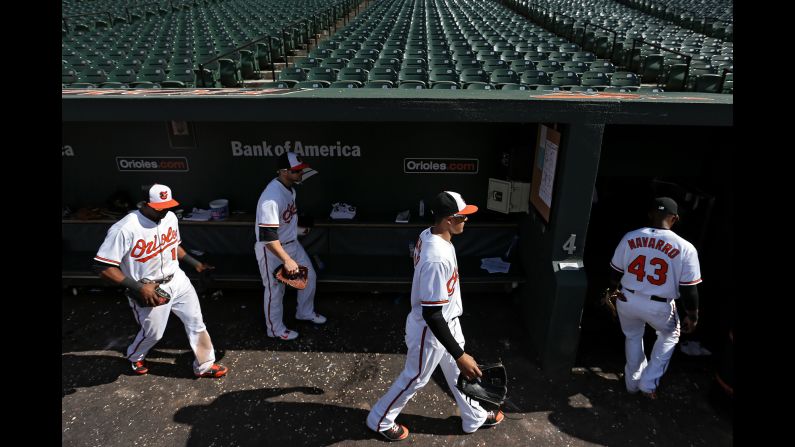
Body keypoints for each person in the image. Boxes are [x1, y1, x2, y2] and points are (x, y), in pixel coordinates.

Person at [366, 191, 504, 441]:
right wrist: (460, 354)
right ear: (448, 220)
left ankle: (473, 416)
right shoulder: (436, 257)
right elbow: (432, 314)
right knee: (415, 378)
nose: (467, 220)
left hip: (447, 321)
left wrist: (457, 355)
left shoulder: (430, 234)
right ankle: (379, 419)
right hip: (430, 330)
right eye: (463, 216)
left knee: (460, 374)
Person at [93, 184, 228, 378]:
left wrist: (195, 264)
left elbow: (174, 246)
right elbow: (102, 267)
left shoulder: (170, 217)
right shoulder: (125, 228)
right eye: (159, 207)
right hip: (148, 287)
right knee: (154, 334)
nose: (164, 210)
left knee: (196, 322)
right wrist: (138, 288)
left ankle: (205, 365)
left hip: (178, 279)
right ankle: (135, 355)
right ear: (144, 204)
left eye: (167, 205)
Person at [608, 197, 702, 399]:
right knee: (669, 336)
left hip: (628, 298)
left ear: (651, 214)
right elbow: (689, 289)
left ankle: (632, 384)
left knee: (633, 337)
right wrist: (692, 315)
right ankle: (648, 384)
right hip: (659, 306)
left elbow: (615, 272)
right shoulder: (685, 247)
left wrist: (612, 290)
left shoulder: (630, 237)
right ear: (675, 218)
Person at [255, 151, 326, 341]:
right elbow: (267, 236)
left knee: (309, 276)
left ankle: (304, 312)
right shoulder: (270, 197)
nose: (300, 174)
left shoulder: (290, 189)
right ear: (284, 172)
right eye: (296, 171)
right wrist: (286, 260)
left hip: (291, 243)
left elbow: (284, 221)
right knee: (275, 291)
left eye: (301, 170)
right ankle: (275, 329)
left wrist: (297, 231)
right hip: (271, 249)